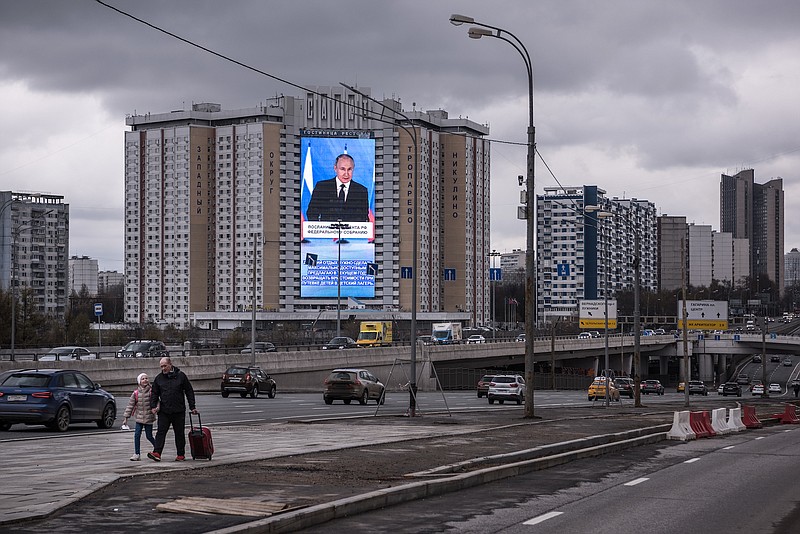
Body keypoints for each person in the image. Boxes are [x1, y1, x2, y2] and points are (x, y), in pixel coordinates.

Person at [147, 357, 197, 462]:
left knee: (179, 433)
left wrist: (192, 406)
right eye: (161, 366)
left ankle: (180, 454)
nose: (163, 368)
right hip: (164, 410)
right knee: (161, 432)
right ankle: (157, 452)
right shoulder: (159, 378)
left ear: (170, 364)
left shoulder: (181, 376)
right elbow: (154, 393)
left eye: (165, 366)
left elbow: (189, 391)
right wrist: (153, 406)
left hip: (178, 410)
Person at [306, 153, 370, 222]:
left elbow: (364, 217)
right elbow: (311, 213)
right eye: (342, 169)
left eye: (349, 169)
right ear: (335, 168)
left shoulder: (361, 191)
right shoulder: (322, 187)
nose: (346, 174)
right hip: (326, 231)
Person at [122, 373, 157, 461]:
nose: (145, 380)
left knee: (149, 436)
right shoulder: (136, 393)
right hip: (139, 418)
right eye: (142, 379)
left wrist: (156, 409)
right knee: (137, 435)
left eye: (146, 378)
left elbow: (157, 402)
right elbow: (130, 406)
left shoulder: (152, 392)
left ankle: (158, 449)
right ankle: (137, 454)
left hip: (149, 418)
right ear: (139, 382)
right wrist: (126, 418)